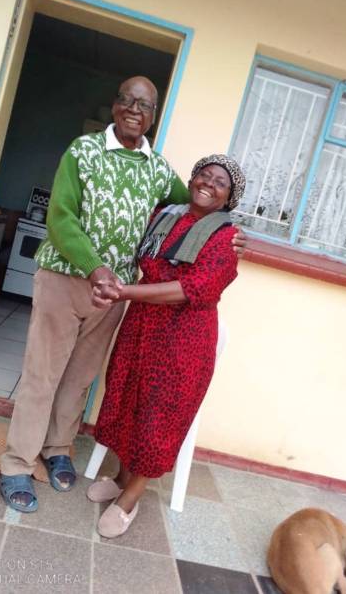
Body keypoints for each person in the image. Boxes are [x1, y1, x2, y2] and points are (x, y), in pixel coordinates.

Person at [0, 76, 246, 513]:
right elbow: (60, 216)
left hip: (113, 295)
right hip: (67, 279)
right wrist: (96, 269)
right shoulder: (84, 151)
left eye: (144, 105)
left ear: (152, 116)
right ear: (115, 106)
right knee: (42, 374)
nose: (134, 110)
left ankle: (57, 448)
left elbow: (201, 203)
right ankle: (17, 462)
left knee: (80, 377)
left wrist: (234, 231)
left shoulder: (157, 169)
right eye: (127, 101)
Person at [87, 154, 245, 538]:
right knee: (127, 397)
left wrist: (125, 292)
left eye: (220, 182)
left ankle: (131, 498)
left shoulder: (226, 238)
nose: (209, 184)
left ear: (229, 198)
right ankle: (121, 477)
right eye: (204, 175)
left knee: (159, 415)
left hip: (182, 339)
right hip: (141, 326)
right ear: (191, 180)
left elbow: (192, 289)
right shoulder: (165, 215)